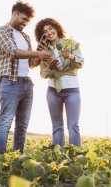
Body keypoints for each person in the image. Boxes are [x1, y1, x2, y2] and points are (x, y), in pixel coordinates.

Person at [0, 1, 52, 154]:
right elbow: (14, 52)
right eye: (24, 19)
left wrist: (40, 53)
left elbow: (32, 63)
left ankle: (16, 158)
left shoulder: (25, 36)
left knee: (22, 125)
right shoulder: (1, 31)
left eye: (27, 21)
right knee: (5, 122)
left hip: (26, 83)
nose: (25, 23)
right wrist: (37, 53)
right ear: (15, 13)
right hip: (10, 82)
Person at [34, 18, 84, 147]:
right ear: (42, 36)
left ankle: (75, 156)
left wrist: (69, 56)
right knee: (57, 126)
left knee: (73, 125)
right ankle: (58, 155)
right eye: (45, 32)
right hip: (53, 91)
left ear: (56, 28)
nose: (49, 32)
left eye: (51, 28)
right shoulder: (44, 51)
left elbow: (80, 62)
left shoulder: (70, 44)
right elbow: (43, 73)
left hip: (72, 90)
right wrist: (50, 66)